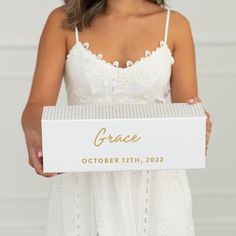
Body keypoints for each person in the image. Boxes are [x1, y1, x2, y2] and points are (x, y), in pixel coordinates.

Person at [21, 0, 213, 235]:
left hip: (156, 187)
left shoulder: (176, 25)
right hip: (85, 182)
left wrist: (198, 123)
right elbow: (37, 104)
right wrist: (34, 133)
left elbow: (187, 110)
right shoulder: (63, 22)